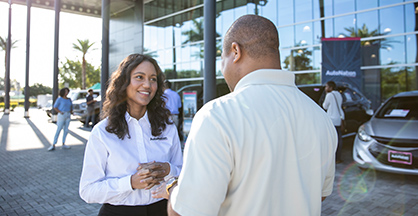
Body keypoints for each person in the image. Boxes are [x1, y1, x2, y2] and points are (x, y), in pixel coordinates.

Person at [152, 15, 337, 215]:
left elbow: (186, 213)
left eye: (221, 60)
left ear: (235, 51)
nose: (222, 69)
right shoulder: (321, 118)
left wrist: (173, 191)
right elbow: (319, 194)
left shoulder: (216, 116)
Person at [79, 54, 183, 216]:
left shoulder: (168, 127)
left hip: (163, 210)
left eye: (153, 79)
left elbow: (184, 173)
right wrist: (130, 183)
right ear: (124, 82)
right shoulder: (102, 132)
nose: (147, 85)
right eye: (139, 77)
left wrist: (168, 170)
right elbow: (88, 191)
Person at [323, 80, 345, 164]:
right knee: (339, 139)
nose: (325, 88)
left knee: (331, 140)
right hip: (338, 119)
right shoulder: (338, 94)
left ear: (331, 87)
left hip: (331, 120)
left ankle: (331, 158)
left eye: (326, 86)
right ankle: (338, 158)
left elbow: (324, 106)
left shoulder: (329, 95)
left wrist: (325, 95)